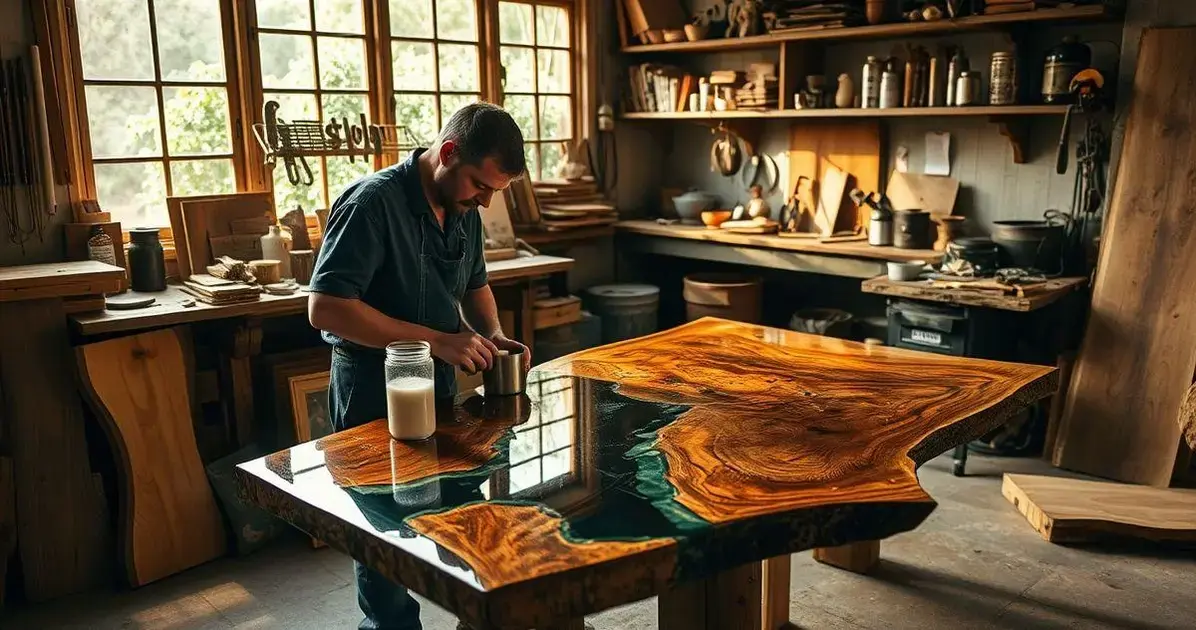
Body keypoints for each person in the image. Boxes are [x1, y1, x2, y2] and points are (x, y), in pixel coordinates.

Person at [307, 102, 532, 630]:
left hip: (441, 383)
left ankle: (478, 618)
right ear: (448, 153)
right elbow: (327, 307)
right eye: (481, 184)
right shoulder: (372, 203)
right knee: (383, 532)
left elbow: (476, 284)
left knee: (464, 507)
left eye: (496, 190)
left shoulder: (465, 210)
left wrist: (493, 335)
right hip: (370, 387)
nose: (486, 199)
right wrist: (437, 340)